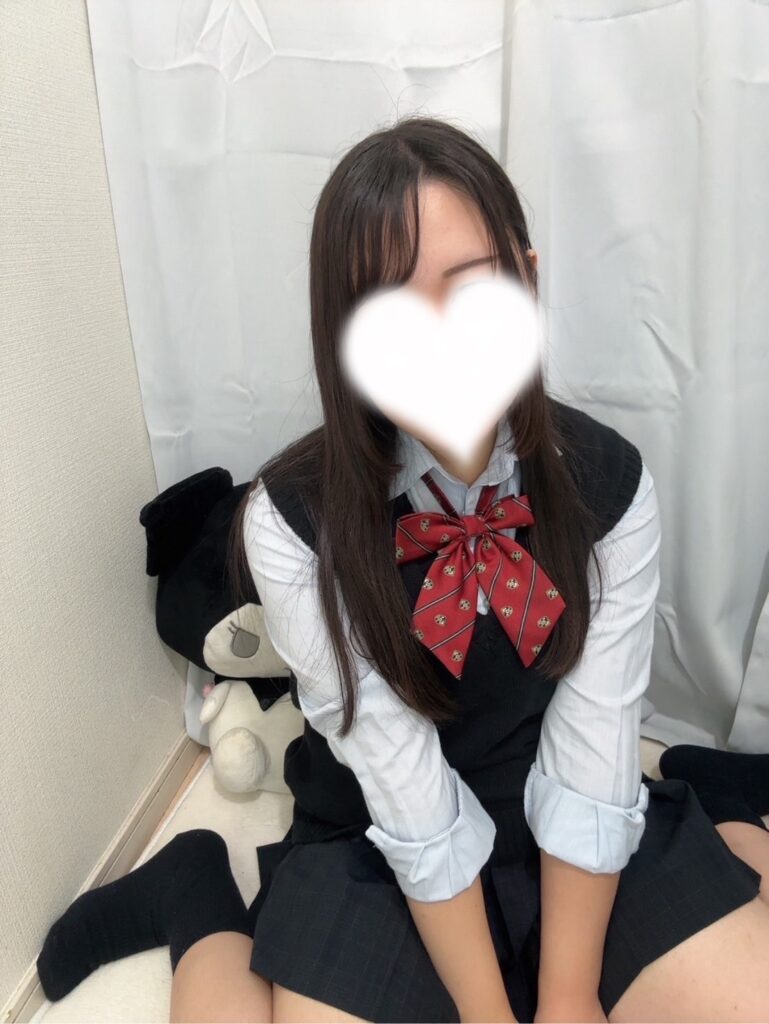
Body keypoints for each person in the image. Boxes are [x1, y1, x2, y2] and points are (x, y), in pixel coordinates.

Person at [35, 116, 769, 1024]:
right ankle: (194, 896)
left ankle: (721, 802)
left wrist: (567, 997)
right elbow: (403, 786)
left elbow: (591, 759)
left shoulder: (609, 486)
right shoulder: (292, 525)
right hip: (381, 840)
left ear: (528, 284)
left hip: (559, 808)